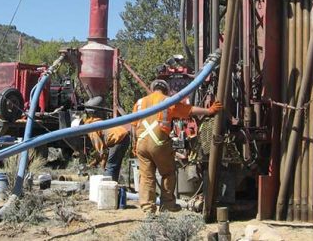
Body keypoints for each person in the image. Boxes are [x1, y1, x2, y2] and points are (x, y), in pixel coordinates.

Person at [133, 79, 223, 214]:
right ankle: (168, 205)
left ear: (152, 89)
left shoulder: (140, 102)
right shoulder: (168, 101)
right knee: (168, 173)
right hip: (158, 143)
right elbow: (190, 110)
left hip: (141, 143)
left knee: (146, 177)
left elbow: (133, 125)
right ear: (166, 90)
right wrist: (209, 110)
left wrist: (135, 144)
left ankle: (148, 210)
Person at [82, 116, 131, 182]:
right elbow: (104, 152)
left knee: (110, 166)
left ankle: (107, 186)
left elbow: (102, 152)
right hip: (125, 137)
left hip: (118, 139)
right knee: (115, 166)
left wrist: (95, 165)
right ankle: (114, 185)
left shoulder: (91, 129)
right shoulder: (97, 122)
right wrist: (95, 163)